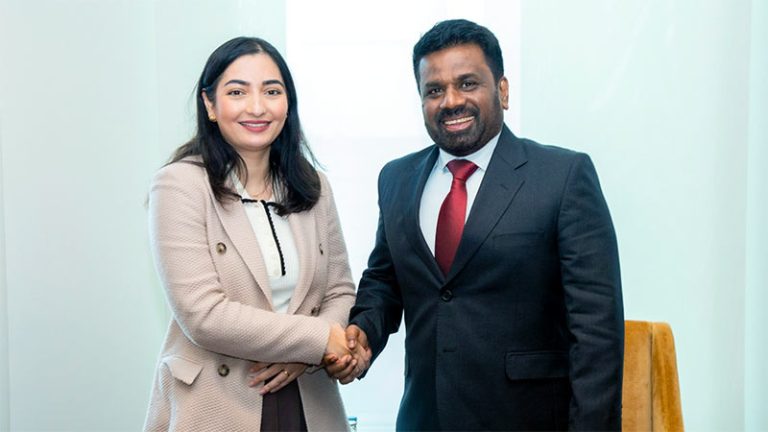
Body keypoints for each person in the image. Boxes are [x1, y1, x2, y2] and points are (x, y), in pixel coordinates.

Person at [331, 19, 624, 430]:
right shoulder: (396, 179)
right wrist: (363, 332)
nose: (451, 101)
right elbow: (386, 282)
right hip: (424, 419)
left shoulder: (563, 176)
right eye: (434, 90)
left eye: (467, 83)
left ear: (502, 91)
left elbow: (596, 335)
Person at [144, 36, 364, 431]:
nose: (257, 107)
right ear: (210, 105)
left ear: (288, 103)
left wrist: (306, 355)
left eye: (272, 91)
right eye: (237, 92)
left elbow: (339, 291)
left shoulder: (312, 185)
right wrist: (317, 340)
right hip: (217, 400)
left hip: (307, 398)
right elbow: (204, 315)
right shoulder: (179, 185)